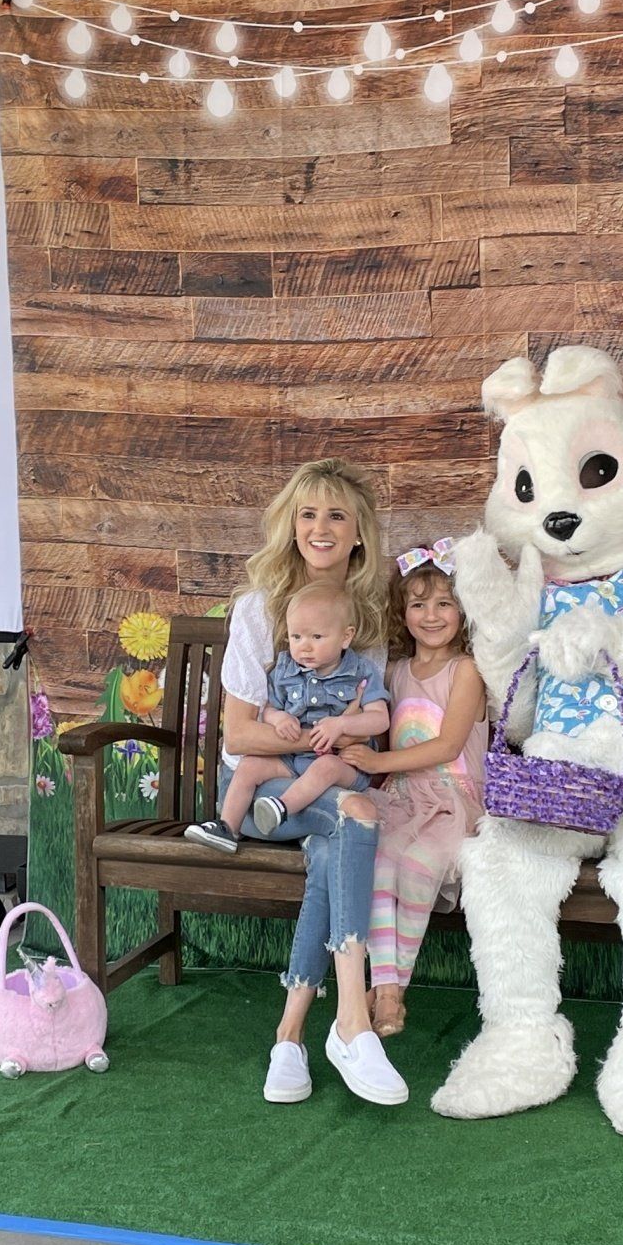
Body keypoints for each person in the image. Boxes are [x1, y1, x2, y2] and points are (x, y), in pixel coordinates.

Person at [214, 461, 408, 1109]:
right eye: (307, 514)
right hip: (261, 789)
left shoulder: (368, 621)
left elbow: (369, 735)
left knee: (343, 825)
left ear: (358, 534)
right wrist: (317, 740)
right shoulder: (258, 609)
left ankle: (291, 1034)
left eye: (335, 516)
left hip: (321, 784)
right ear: (290, 526)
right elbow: (241, 735)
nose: (319, 528)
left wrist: (333, 743)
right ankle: (350, 1023)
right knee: (354, 813)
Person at [344, 548, 487, 1040]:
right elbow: (380, 729)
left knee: (419, 871)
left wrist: (378, 763)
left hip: (451, 801)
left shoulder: (465, 671)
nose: (432, 616)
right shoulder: (397, 673)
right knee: (380, 866)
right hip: (402, 798)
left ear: (463, 610)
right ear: (401, 613)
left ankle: (388, 990)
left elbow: (447, 745)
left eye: (445, 604)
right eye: (419, 605)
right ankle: (388, 992)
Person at [184, 579, 389, 849]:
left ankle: (280, 808)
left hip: (342, 764)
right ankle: (227, 829)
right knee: (250, 765)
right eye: (296, 637)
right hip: (291, 761)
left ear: (346, 637)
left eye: (317, 637)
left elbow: (379, 719)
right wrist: (277, 719)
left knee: (324, 767)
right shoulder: (284, 671)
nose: (305, 646)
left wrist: (342, 725)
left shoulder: (360, 672)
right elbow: (267, 709)